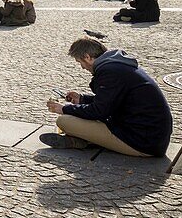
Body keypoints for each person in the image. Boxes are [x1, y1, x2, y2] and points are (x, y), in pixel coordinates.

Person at [42, 37, 173, 156]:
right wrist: (82, 99)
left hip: (142, 142)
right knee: (79, 118)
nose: (82, 67)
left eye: (79, 62)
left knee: (64, 121)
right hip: (151, 136)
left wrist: (64, 109)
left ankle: (85, 141)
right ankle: (83, 141)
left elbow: (99, 111)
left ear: (87, 57)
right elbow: (114, 101)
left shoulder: (109, 73)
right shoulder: (118, 66)